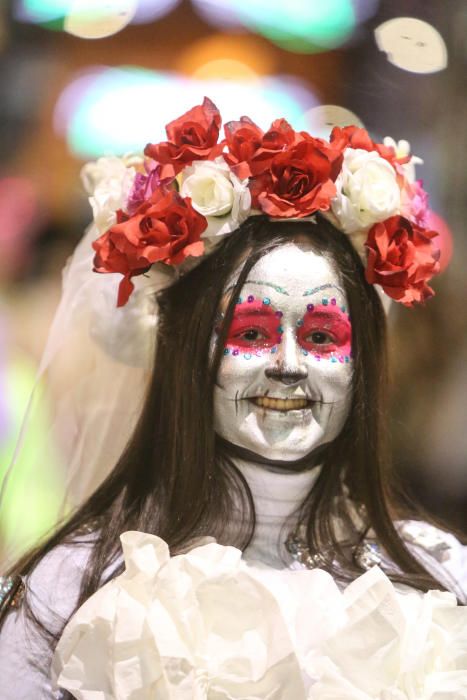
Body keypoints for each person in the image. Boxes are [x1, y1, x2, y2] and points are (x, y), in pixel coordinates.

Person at [1, 98, 466, 699]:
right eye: (252, 333)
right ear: (187, 352)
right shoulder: (65, 591)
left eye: (322, 336)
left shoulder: (441, 582)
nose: (289, 366)